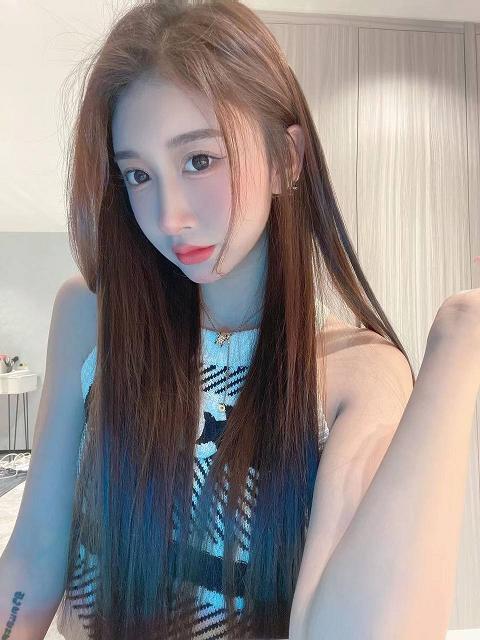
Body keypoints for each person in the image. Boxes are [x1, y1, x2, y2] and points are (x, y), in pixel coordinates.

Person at [50, 1, 479, 639]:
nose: (169, 216)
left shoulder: (353, 372)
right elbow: (31, 562)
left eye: (200, 160)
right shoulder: (91, 317)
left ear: (286, 157)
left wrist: (462, 339)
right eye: (138, 174)